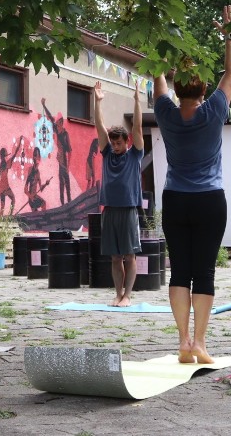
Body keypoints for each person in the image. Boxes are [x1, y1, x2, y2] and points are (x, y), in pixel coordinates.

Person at [153, 4, 231, 364]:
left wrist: (154, 42)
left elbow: (155, 78)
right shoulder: (214, 111)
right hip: (209, 201)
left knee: (180, 270)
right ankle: (200, 343)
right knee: (204, 271)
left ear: (176, 88)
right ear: (203, 89)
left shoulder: (166, 114)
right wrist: (229, 34)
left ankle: (183, 341)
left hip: (175, 199)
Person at [93, 79, 144, 307]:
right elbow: (99, 126)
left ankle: (128, 296)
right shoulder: (106, 154)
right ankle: (117, 293)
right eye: (112, 142)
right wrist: (97, 101)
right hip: (110, 209)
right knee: (115, 257)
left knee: (130, 255)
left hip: (128, 209)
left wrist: (136, 100)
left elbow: (138, 128)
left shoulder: (134, 155)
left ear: (126, 142)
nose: (114, 145)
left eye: (118, 142)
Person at [42, 98, 73, 205]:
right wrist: (44, 105)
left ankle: (69, 203)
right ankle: (63, 204)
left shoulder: (65, 134)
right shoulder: (57, 130)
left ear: (61, 122)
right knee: (61, 183)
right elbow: (50, 117)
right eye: (57, 123)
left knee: (67, 183)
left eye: (59, 123)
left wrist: (68, 166)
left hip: (64, 160)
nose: (58, 125)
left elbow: (70, 151)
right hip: (60, 160)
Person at [0, 138, 23, 216]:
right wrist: (19, 145)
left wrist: (0, 185)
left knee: (2, 206)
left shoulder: (1, 165)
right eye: (6, 155)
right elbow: (15, 154)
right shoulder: (6, 163)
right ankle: (10, 215)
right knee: (13, 199)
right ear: (4, 156)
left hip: (1, 188)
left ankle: (1, 219)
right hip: (5, 186)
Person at [24, 147, 50, 212]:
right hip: (31, 199)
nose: (37, 158)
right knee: (43, 204)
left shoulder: (38, 173)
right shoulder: (30, 170)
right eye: (35, 156)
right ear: (33, 158)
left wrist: (46, 184)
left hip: (35, 197)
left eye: (38, 156)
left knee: (42, 206)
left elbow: (41, 189)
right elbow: (25, 189)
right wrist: (30, 196)